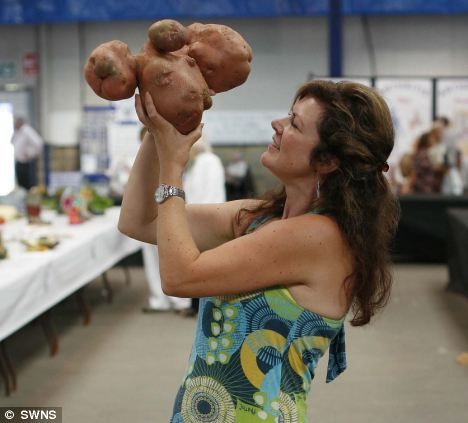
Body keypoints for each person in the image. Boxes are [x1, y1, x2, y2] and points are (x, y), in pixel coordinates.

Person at [119, 80, 400, 422]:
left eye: (294, 124)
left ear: (326, 161)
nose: (277, 125)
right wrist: (159, 126)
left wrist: (172, 165)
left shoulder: (317, 236)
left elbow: (179, 278)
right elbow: (139, 220)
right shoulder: (260, 219)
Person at [181, 134, 226, 316]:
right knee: (196, 266)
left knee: (206, 267)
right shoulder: (196, 164)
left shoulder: (209, 161)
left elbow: (209, 194)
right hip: (198, 220)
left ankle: (203, 308)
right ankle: (194, 306)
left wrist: (198, 222)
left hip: (207, 220)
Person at [11, 117, 43, 190]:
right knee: (21, 184)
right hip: (19, 161)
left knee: (27, 185)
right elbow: (12, 142)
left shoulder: (27, 130)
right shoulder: (17, 131)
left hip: (26, 163)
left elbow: (39, 143)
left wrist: (31, 153)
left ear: (20, 122)